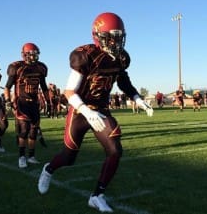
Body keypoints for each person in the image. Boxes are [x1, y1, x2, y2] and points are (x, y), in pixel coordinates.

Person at [37, 12, 153, 213]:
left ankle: (97, 195)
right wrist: (85, 110)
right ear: (98, 35)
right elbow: (69, 91)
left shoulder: (121, 57)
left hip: (101, 110)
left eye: (119, 36)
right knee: (68, 157)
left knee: (115, 151)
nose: (116, 41)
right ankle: (49, 169)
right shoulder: (85, 55)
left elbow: (122, 80)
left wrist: (137, 98)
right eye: (112, 36)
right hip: (80, 110)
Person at [4, 42, 50, 168]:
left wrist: (49, 102)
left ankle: (31, 156)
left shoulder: (40, 68)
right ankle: (21, 157)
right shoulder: (17, 67)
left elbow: (44, 87)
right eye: (32, 54)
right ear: (25, 55)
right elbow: (7, 87)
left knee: (34, 131)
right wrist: (8, 101)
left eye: (36, 54)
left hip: (34, 103)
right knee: (23, 131)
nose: (34, 57)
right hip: (21, 103)